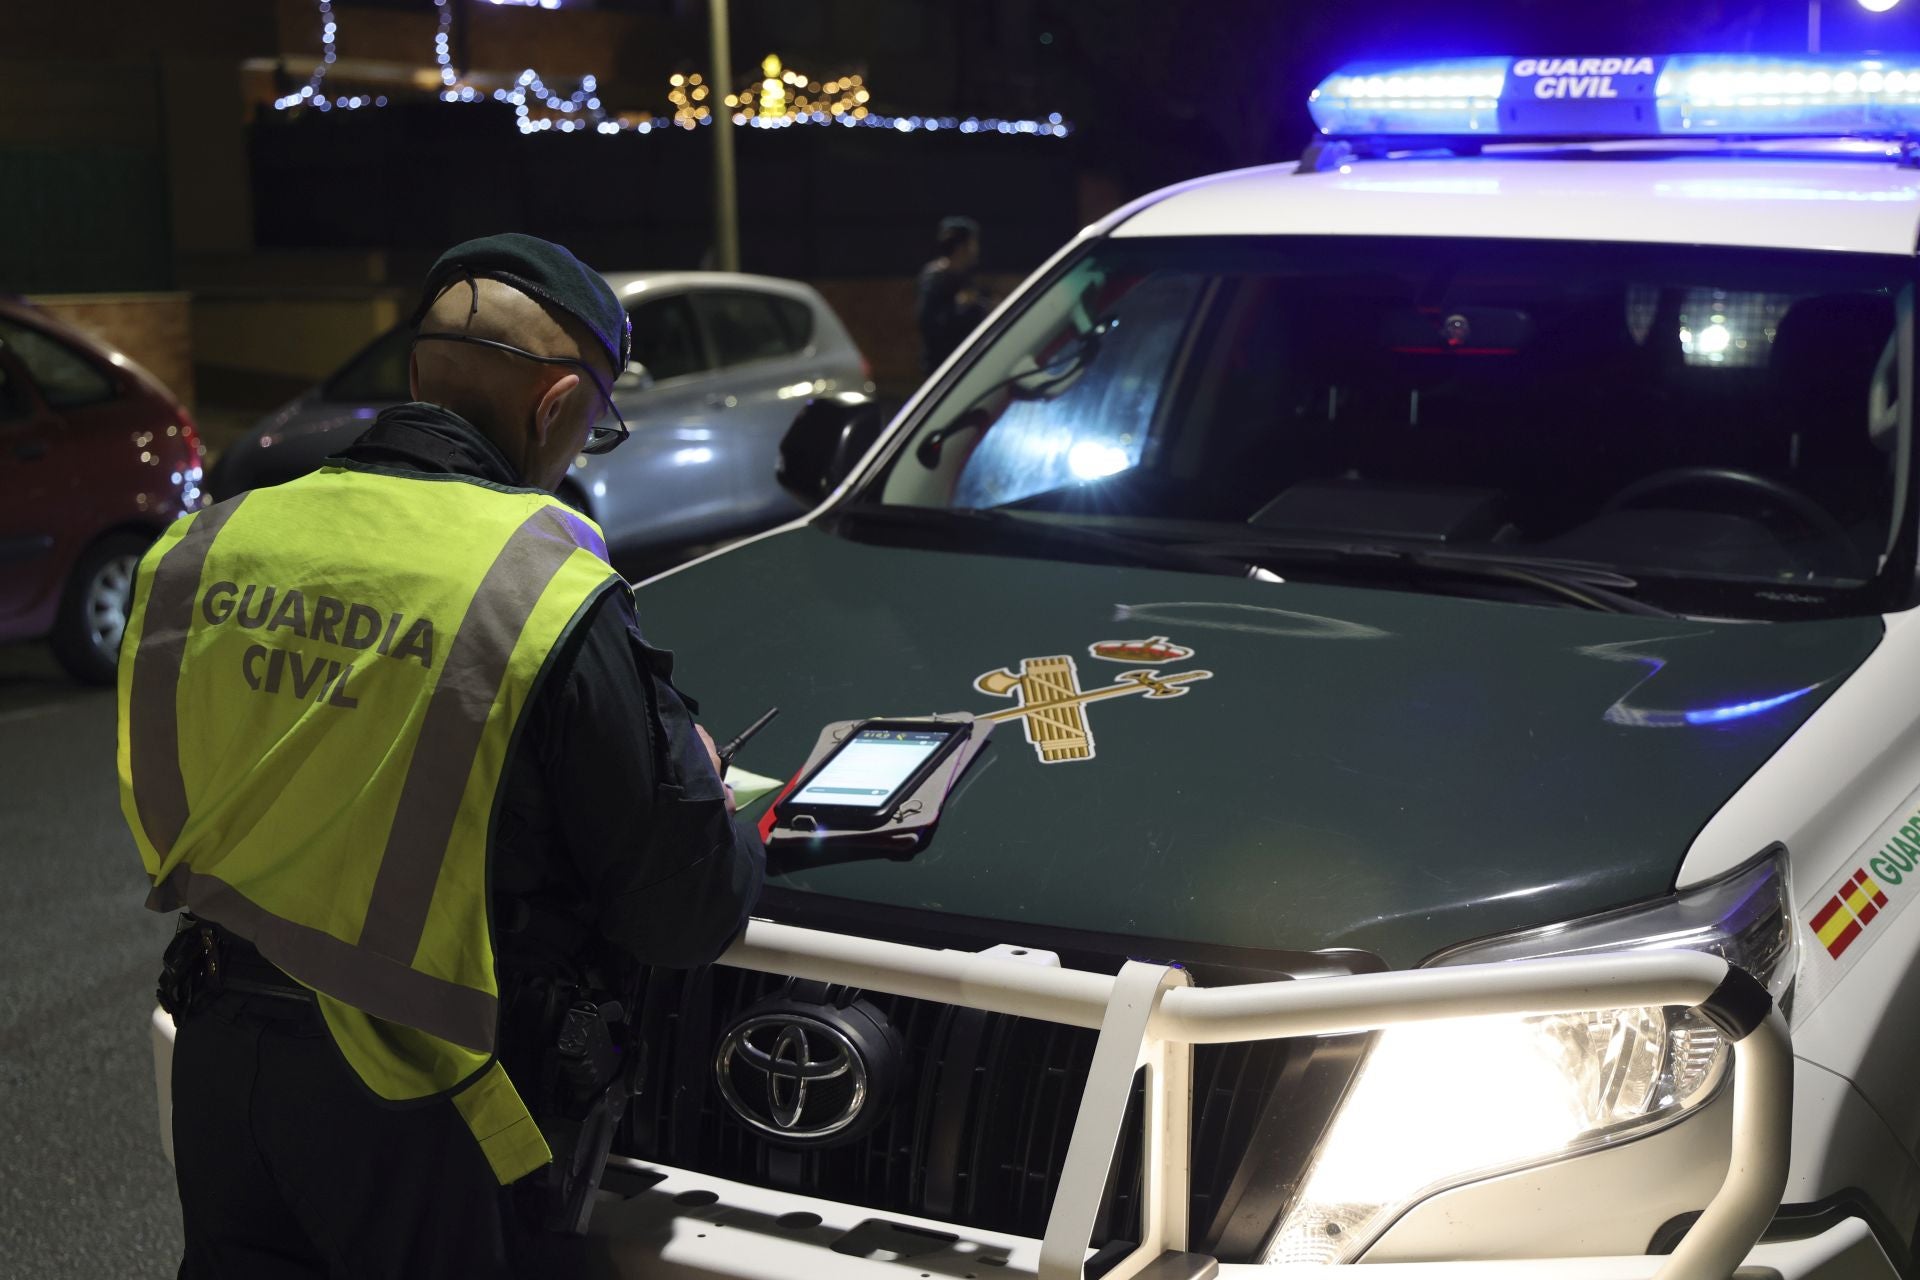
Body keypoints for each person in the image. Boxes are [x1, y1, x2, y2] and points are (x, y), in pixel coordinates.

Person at [116, 232, 765, 1279]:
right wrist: (708, 794)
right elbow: (680, 910)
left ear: (419, 376)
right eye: (590, 426)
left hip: (220, 1051)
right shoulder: (537, 584)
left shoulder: (211, 543)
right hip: (425, 1093)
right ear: (557, 407)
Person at [916, 214, 990, 375]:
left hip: (964, 364)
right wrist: (961, 307)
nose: (976, 249)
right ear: (961, 247)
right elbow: (929, 323)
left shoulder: (963, 276)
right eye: (973, 243)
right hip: (943, 370)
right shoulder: (936, 278)